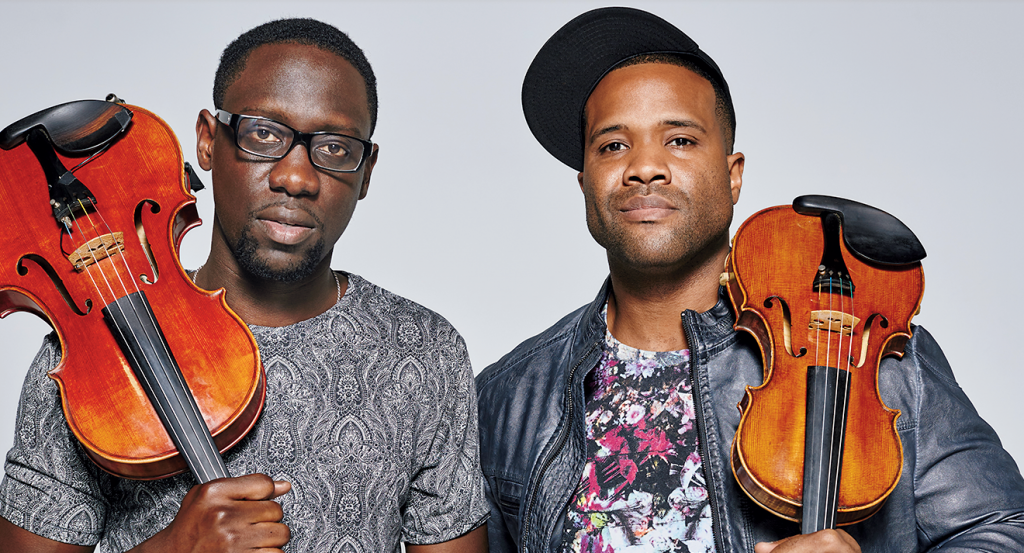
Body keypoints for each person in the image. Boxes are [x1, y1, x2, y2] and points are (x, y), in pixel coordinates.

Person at [475, 7, 1024, 553]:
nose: (645, 167)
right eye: (613, 145)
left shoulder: (863, 355)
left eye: (681, 140)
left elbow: (1004, 532)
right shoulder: (508, 397)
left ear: (733, 176)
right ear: (585, 184)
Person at [0, 18, 488, 553]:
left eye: (335, 148)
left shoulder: (424, 351)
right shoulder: (85, 360)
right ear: (208, 142)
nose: (296, 178)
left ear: (366, 172)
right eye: (263, 134)